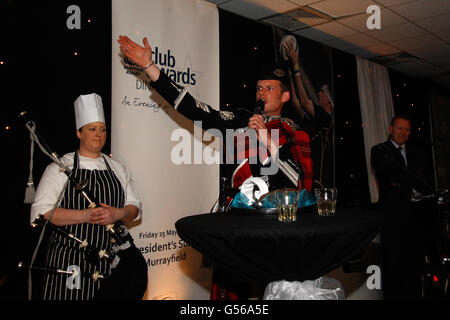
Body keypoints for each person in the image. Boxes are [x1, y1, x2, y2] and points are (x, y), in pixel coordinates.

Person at [117, 35, 313, 298]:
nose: (261, 93)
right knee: (233, 293)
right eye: (259, 88)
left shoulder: (294, 134)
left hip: (275, 230)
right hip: (237, 225)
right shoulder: (240, 120)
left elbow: (298, 184)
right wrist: (151, 67)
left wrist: (268, 140)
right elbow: (196, 110)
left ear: (285, 96)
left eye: (269, 88)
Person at [30, 93, 146, 300]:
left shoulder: (118, 168)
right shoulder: (60, 167)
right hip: (69, 259)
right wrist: (86, 216)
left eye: (103, 130)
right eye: (92, 129)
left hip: (111, 261)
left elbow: (135, 208)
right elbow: (40, 212)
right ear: (79, 133)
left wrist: (118, 213)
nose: (98, 135)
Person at [371, 114, 434, 300]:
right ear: (390, 129)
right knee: (393, 263)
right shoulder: (380, 150)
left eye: (407, 129)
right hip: (392, 217)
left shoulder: (416, 153)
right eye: (399, 128)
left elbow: (425, 181)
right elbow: (391, 175)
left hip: (416, 217)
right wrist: (411, 184)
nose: (403, 132)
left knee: (414, 264)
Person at [283, 36, 334, 188]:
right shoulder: (317, 117)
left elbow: (305, 102)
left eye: (322, 93)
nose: (319, 94)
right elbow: (297, 103)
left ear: (330, 99)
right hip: (305, 164)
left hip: (316, 170)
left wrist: (296, 64)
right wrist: (291, 72)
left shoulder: (325, 117)